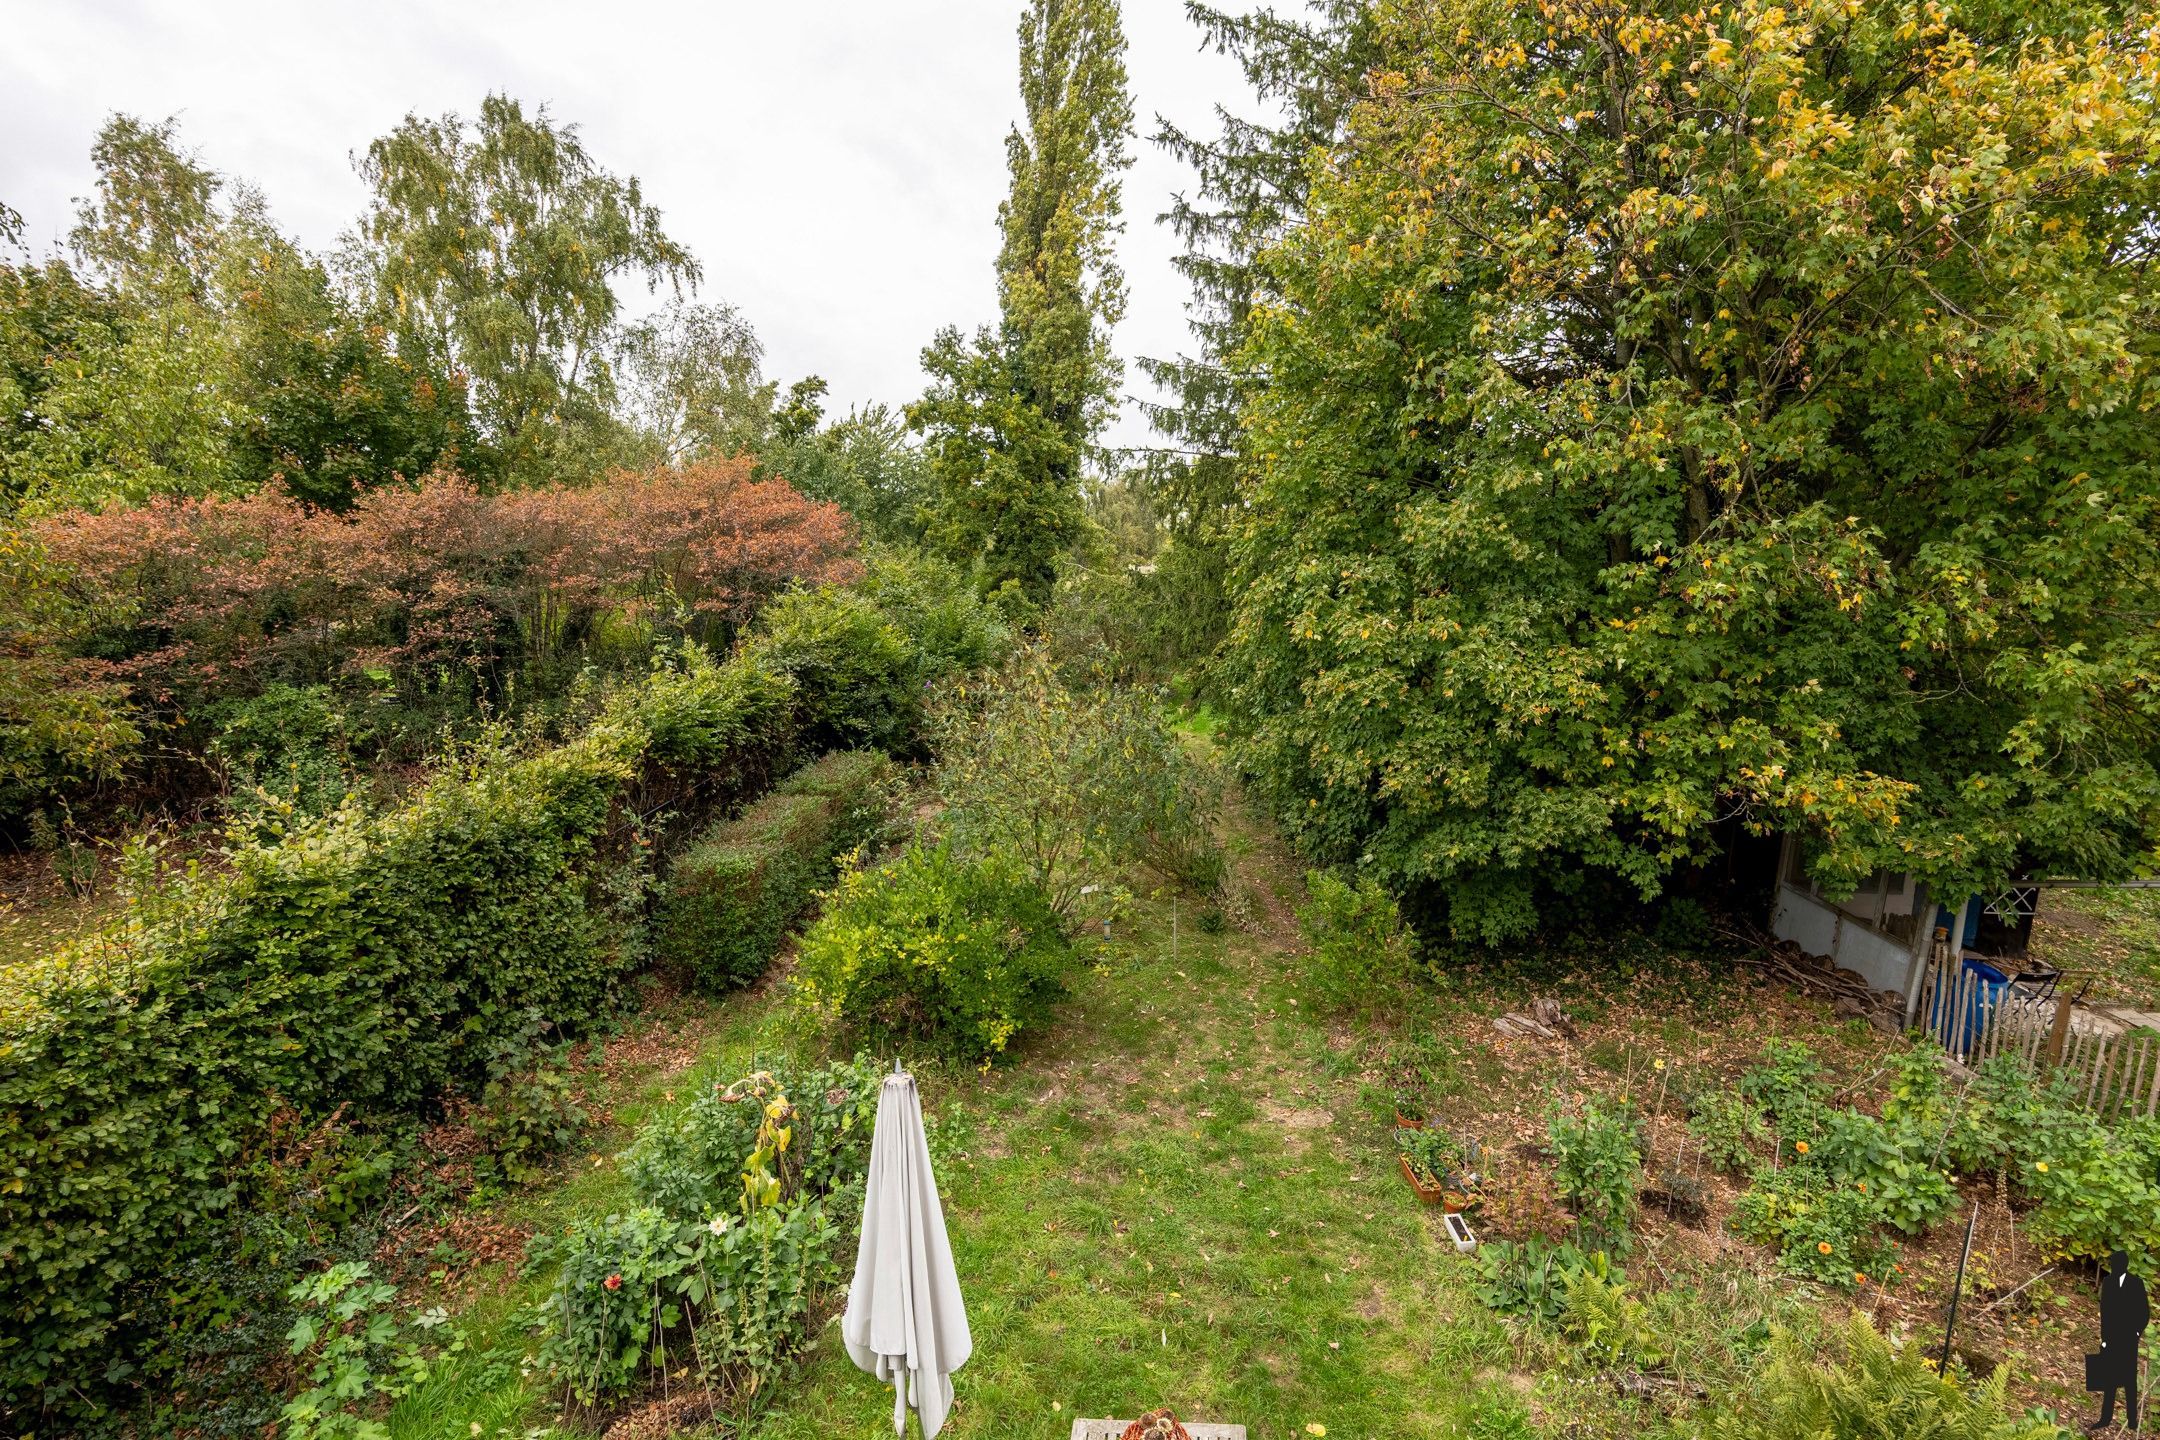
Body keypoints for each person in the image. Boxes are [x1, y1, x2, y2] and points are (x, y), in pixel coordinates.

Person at [2090, 1249, 2149, 1433]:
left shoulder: (2136, 1283)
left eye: (2116, 1263)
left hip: (2129, 1339)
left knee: (2129, 1379)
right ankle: (2105, 1418)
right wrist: (2104, 1338)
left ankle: (2132, 1420)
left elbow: (2144, 1312)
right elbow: (2105, 1313)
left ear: (2124, 1264)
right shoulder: (2108, 1283)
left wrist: (2137, 1332)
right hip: (2112, 1338)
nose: (2114, 1267)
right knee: (2110, 1379)